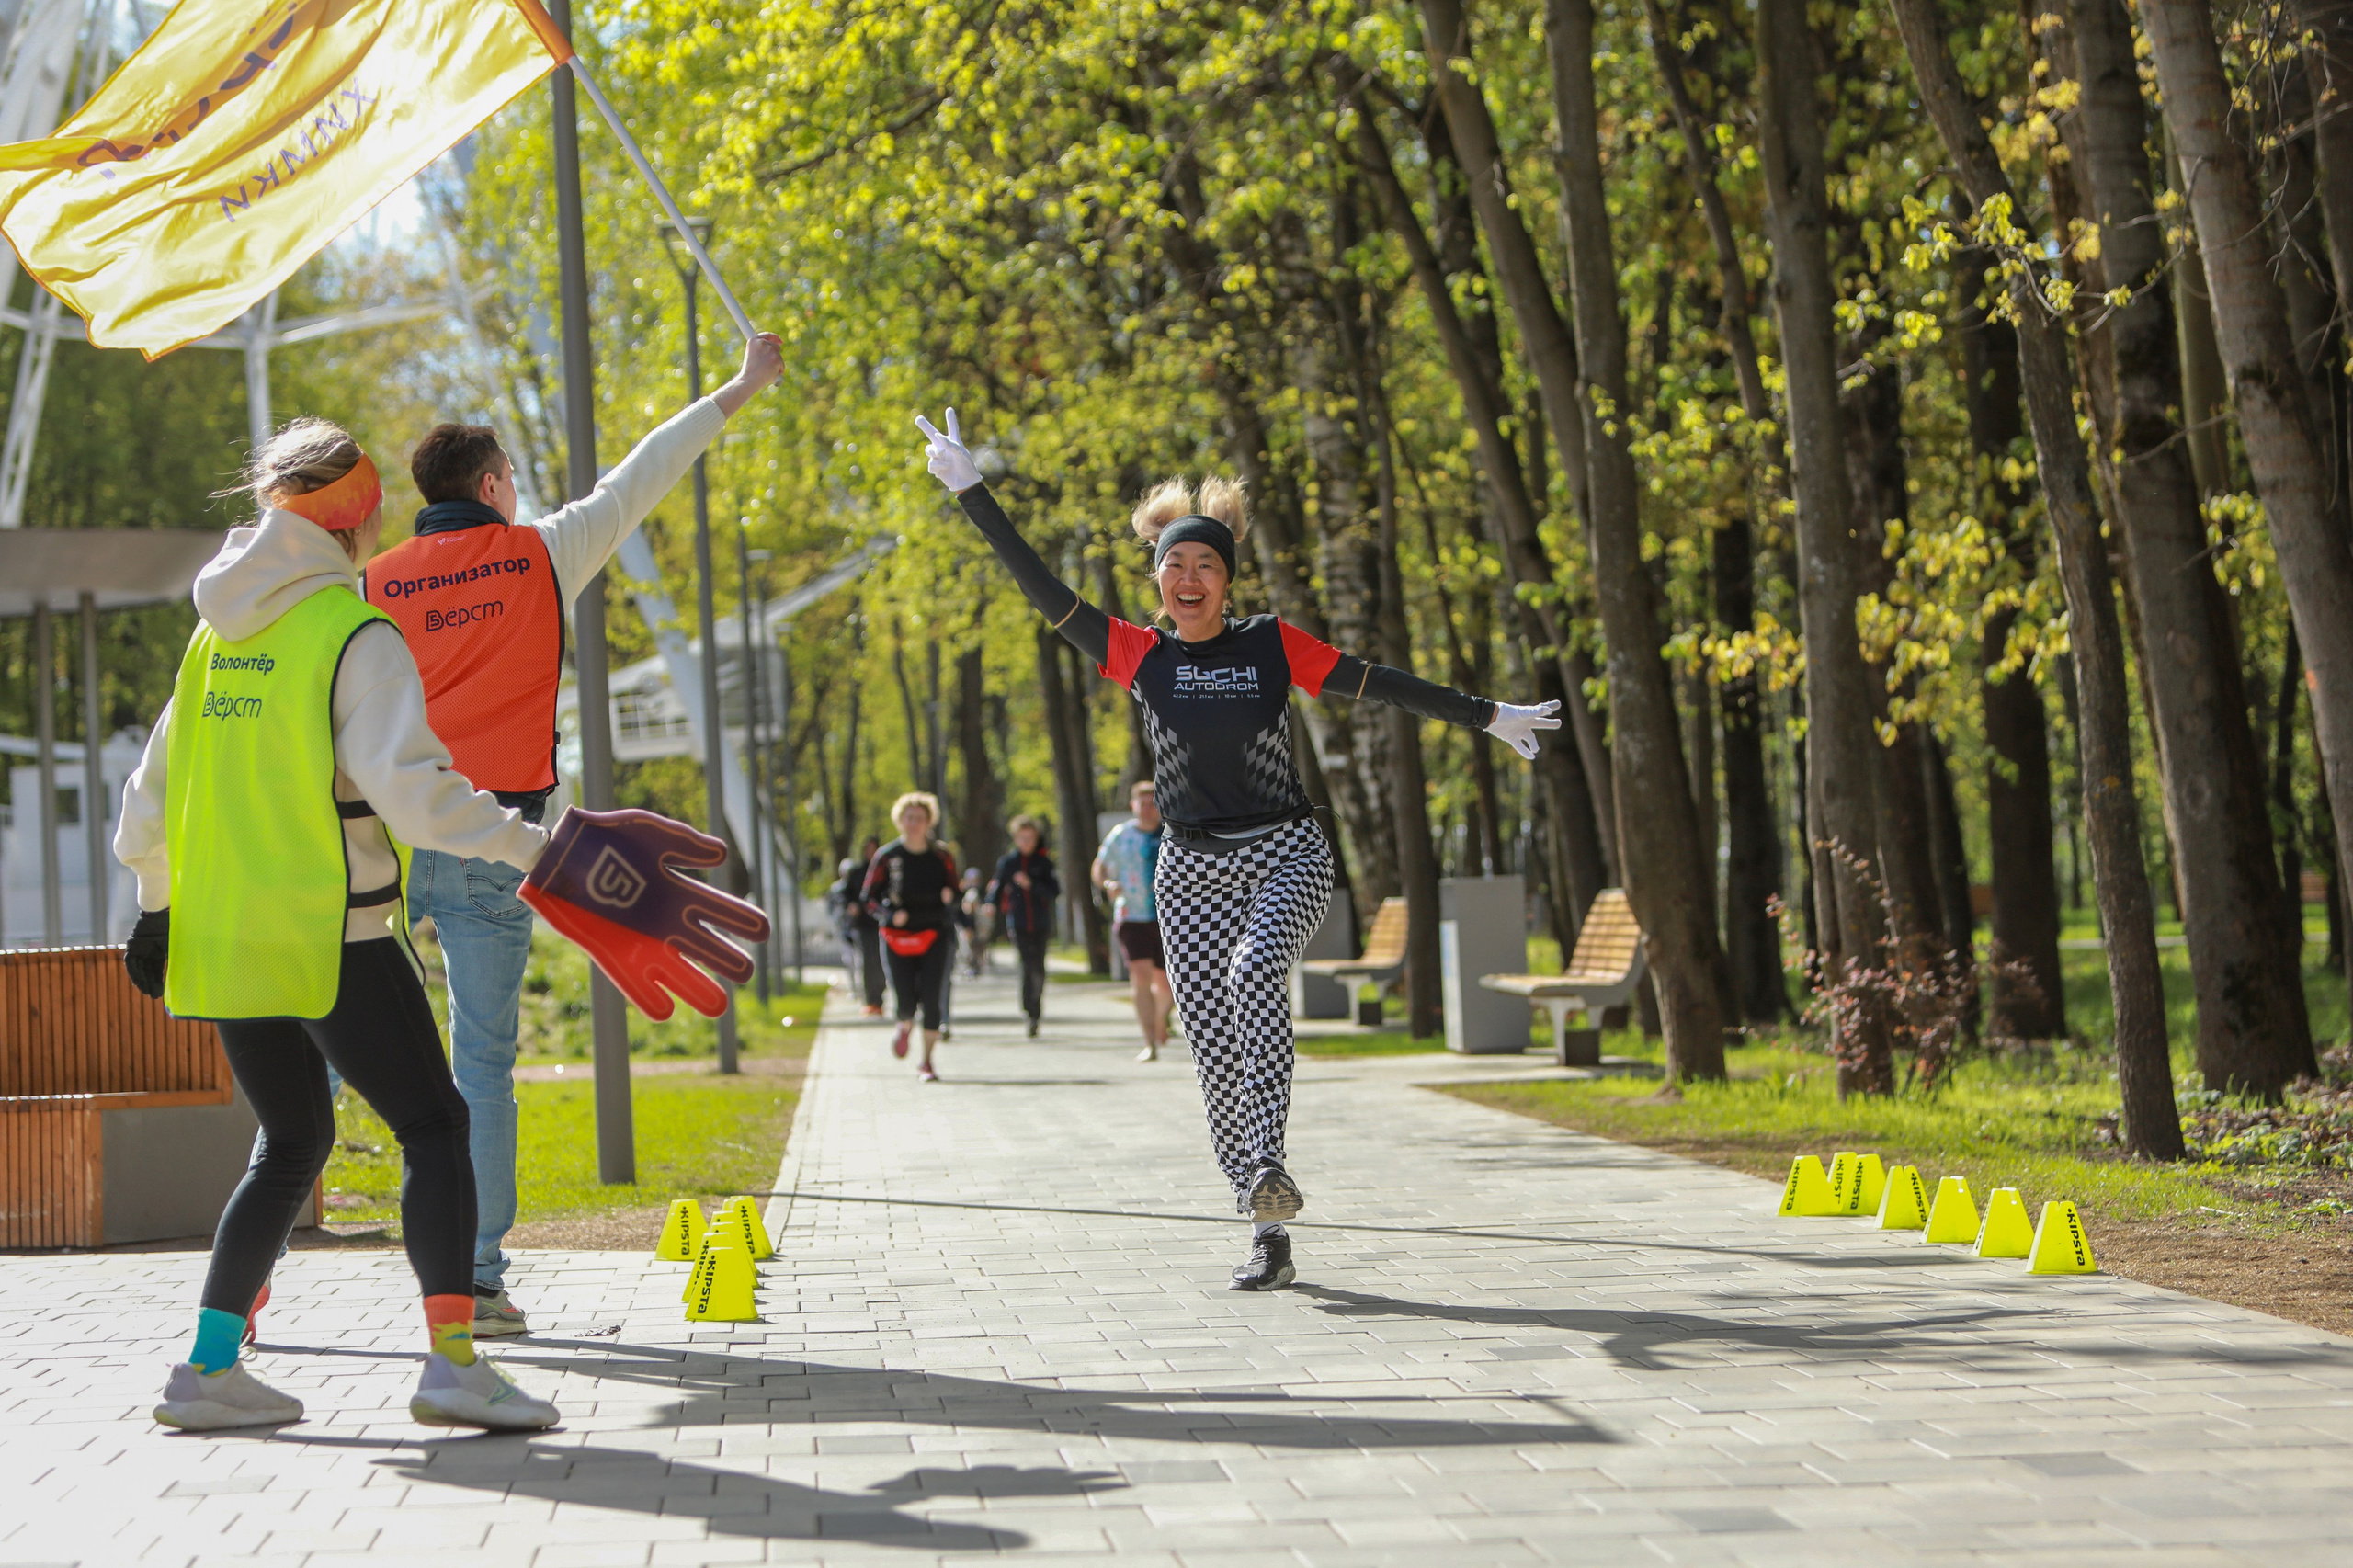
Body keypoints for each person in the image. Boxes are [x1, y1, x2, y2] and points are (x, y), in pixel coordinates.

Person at [916, 408, 1559, 1291]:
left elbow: (1384, 684)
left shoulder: (1269, 646)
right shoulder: (1137, 655)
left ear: (1227, 580)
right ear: (1157, 581)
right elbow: (1045, 592)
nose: (1189, 578)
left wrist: (1489, 716)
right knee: (1213, 1048)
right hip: (1188, 870)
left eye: (1206, 566)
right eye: (1174, 566)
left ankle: (1266, 1167)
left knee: (1252, 974)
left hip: (1286, 851)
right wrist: (973, 496)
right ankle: (1264, 1205)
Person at [114, 418, 565, 1433]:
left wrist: (155, 912)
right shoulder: (351, 633)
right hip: (336, 934)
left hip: (230, 935)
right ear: (359, 525)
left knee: (291, 1138)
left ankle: (208, 1369)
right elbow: (418, 800)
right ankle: (454, 1363)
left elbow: (146, 805)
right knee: (437, 1125)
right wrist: (537, 846)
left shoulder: (210, 638)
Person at [358, 332, 783, 1337]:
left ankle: (268, 1228)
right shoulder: (538, 553)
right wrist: (738, 384)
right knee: (483, 1062)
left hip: (384, 838)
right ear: (497, 483)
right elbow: (644, 474)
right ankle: (477, 1278)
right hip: (498, 835)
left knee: (344, 1039)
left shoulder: (373, 583)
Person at [863, 793, 960, 1081]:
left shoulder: (942, 856)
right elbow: (869, 898)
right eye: (909, 818)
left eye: (920, 818)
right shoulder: (887, 857)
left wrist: (951, 896)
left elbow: (957, 892)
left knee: (932, 1000)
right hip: (897, 938)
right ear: (900, 821)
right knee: (905, 1000)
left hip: (934, 935)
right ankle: (904, 1024)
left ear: (929, 822)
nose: (915, 823)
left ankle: (927, 1062)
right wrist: (890, 915)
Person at [1094, 781, 1170, 1062]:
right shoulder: (1121, 835)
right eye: (1143, 803)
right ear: (1133, 806)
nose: (1148, 809)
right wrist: (1108, 883)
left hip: (1168, 916)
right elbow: (1099, 866)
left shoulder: (1171, 834)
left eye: (1153, 803)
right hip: (1130, 916)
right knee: (1140, 976)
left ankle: (1161, 1017)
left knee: (1167, 984)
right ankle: (1149, 1042)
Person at [987, 815, 1061, 1036]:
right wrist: (990, 904)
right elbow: (997, 887)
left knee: (1038, 967)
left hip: (1040, 922)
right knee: (1026, 965)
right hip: (1018, 922)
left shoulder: (1044, 863)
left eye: (1030, 838)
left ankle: (1036, 1008)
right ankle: (1029, 1011)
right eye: (1022, 838)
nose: (1026, 842)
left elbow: (1054, 891)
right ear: (1016, 838)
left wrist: (1032, 885)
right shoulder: (1009, 862)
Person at [853, 835, 887, 1015]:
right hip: (864, 925)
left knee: (881, 960)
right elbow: (847, 894)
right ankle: (870, 1000)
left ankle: (879, 998)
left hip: (881, 923)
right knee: (868, 960)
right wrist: (851, 906)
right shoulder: (858, 873)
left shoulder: (885, 871)